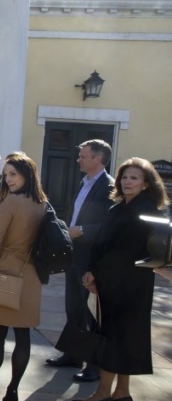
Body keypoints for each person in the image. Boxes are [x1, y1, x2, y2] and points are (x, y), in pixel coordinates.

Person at [73, 158, 169, 401]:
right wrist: (91, 273)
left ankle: (104, 392)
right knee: (121, 337)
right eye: (125, 177)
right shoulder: (118, 208)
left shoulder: (146, 208)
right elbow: (102, 243)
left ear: (146, 183)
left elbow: (124, 251)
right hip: (112, 281)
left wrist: (96, 274)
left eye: (134, 178)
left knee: (115, 338)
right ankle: (121, 392)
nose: (127, 182)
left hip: (130, 284)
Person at [0, 151, 47, 401]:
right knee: (23, 334)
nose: (8, 179)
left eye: (13, 174)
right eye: (6, 174)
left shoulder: (12, 203)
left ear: (26, 175)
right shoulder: (42, 204)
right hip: (31, 274)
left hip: (6, 269)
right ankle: (14, 390)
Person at [46, 140, 114, 383]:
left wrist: (83, 230)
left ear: (98, 158)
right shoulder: (83, 183)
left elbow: (111, 226)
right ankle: (73, 354)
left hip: (92, 258)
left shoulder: (109, 187)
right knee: (73, 307)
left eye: (83, 156)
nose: (78, 160)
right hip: (74, 254)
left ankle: (95, 365)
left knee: (90, 311)